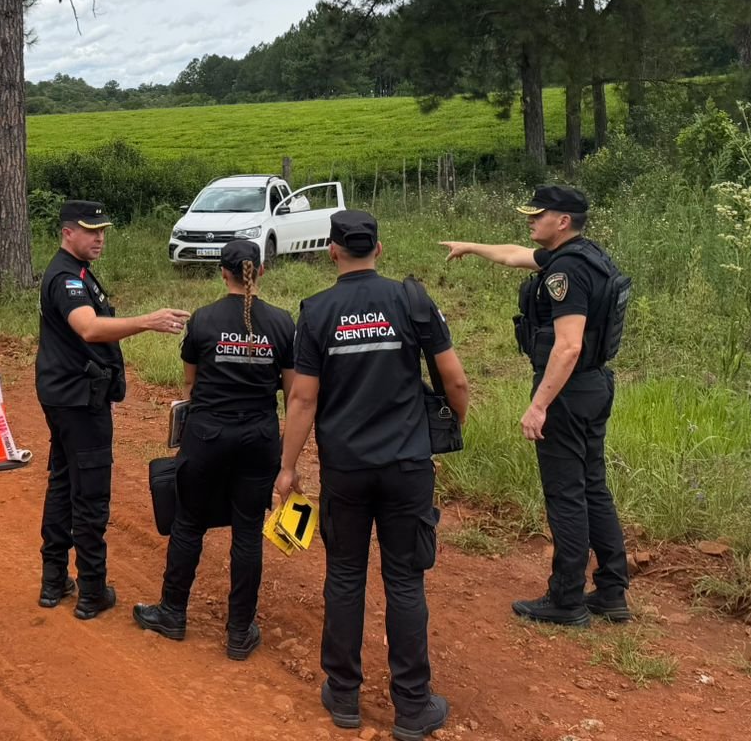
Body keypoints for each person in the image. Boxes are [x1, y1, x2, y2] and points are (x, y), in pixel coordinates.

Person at [278, 210, 469, 738]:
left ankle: (343, 695)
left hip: (346, 468)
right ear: (379, 250)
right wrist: (452, 427)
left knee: (344, 576)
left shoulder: (316, 311)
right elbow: (455, 381)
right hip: (407, 465)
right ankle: (412, 706)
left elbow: (303, 397)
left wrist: (287, 467)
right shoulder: (412, 301)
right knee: (405, 581)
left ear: (332, 252)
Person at [440, 184, 630, 628]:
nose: (530, 220)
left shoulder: (567, 272)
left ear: (562, 221)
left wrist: (540, 405)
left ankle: (566, 599)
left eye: (537, 214)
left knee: (566, 494)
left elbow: (568, 346)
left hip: (567, 392)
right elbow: (513, 255)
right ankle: (611, 591)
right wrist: (470, 246)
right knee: (593, 487)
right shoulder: (586, 255)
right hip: (594, 385)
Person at [133, 239, 295, 660]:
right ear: (261, 271)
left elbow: (190, 384)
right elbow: (292, 392)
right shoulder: (282, 323)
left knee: (188, 523)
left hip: (207, 436)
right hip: (259, 438)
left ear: (222, 273)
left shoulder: (203, 319)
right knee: (248, 532)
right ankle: (239, 632)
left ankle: (172, 613)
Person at [36, 199, 190, 621]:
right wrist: (148, 321)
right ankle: (91, 591)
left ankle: (53, 581)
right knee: (89, 495)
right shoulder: (66, 278)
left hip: (65, 397)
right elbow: (88, 328)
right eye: (90, 231)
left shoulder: (77, 271)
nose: (99, 238)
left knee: (63, 483)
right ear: (68, 232)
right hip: (79, 402)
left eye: (102, 230)